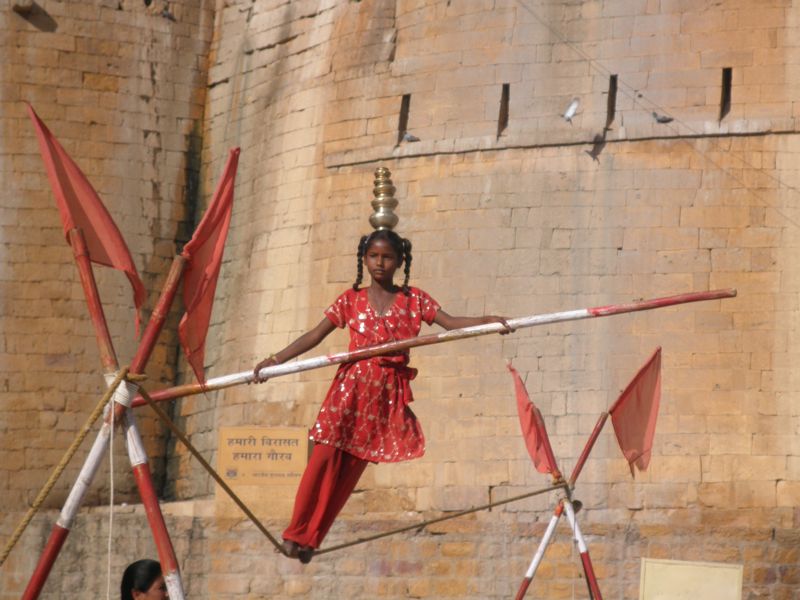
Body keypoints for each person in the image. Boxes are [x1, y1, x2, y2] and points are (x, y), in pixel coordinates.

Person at [254, 229, 511, 563]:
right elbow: (314, 336)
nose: (380, 263)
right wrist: (275, 361)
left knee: (349, 471)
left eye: (387, 257)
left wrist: (487, 321)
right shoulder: (350, 299)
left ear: (399, 261)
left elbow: (449, 323)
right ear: (364, 259)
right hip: (349, 389)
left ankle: (312, 540)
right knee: (322, 460)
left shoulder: (414, 299)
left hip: (384, 396)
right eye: (373, 256)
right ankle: (295, 533)